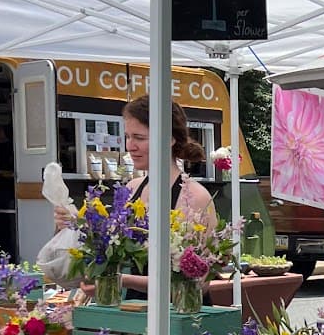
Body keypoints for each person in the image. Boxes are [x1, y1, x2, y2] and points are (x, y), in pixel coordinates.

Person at [55, 95, 217, 238]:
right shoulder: (132, 187)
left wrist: (117, 275)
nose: (130, 146)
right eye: (127, 137)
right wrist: (77, 223)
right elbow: (114, 245)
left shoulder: (196, 198)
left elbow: (198, 270)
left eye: (139, 138)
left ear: (169, 139)